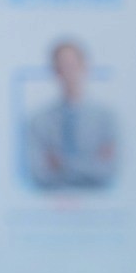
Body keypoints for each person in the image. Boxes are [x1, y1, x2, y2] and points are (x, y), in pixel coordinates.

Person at [24, 38, 118, 189]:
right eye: (61, 67)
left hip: (98, 202)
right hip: (52, 200)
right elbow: (39, 173)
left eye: (72, 66)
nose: (68, 73)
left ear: (84, 67)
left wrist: (62, 164)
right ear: (55, 72)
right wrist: (89, 164)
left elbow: (107, 171)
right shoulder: (40, 120)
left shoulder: (105, 119)